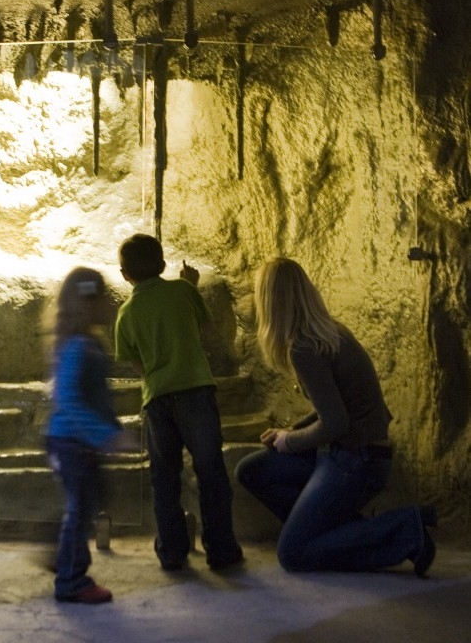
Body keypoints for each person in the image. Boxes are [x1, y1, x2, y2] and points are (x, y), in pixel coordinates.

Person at [235, 257, 437, 576]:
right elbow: (333, 407)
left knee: (293, 554)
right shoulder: (329, 332)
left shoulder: (305, 347)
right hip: (352, 454)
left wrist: (290, 441)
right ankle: (336, 533)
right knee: (252, 470)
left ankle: (404, 529)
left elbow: (335, 423)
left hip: (357, 461)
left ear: (270, 301)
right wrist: (291, 430)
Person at [115, 233, 243, 571]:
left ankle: (172, 551)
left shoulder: (126, 313)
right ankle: (222, 550)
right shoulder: (183, 292)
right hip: (196, 390)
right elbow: (204, 329)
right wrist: (191, 284)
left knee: (164, 476)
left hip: (157, 398)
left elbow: (137, 365)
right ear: (162, 265)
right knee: (210, 470)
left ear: (124, 275)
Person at [46, 266, 136, 604]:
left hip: (79, 442)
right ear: (88, 302)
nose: (109, 305)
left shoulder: (88, 343)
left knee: (89, 502)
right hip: (71, 442)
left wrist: (111, 429)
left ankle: (62, 555)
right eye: (104, 298)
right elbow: (68, 397)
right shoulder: (78, 346)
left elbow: (96, 395)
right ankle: (71, 580)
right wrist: (106, 436)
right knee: (81, 509)